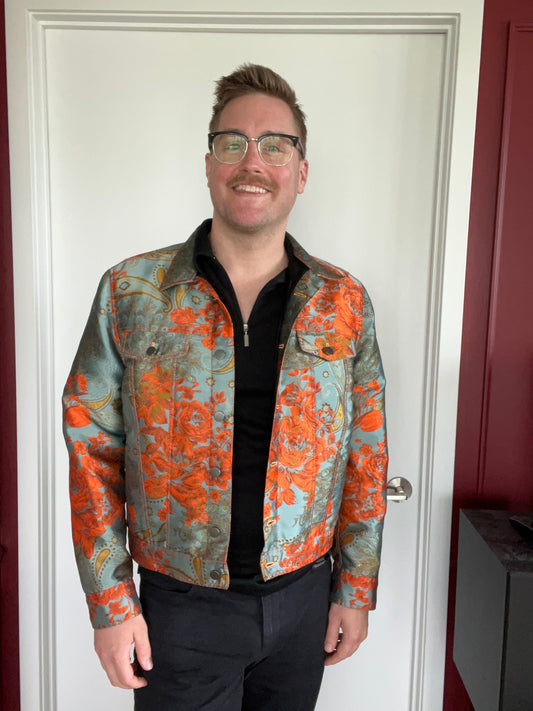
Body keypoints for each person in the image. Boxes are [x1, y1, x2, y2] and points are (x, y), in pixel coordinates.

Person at [62, 63, 388, 711]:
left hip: (302, 600)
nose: (252, 161)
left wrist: (355, 588)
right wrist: (110, 602)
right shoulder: (132, 292)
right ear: (209, 163)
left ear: (301, 170)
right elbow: (91, 447)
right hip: (181, 607)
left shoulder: (343, 301)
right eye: (232, 142)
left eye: (276, 145)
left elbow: (365, 452)